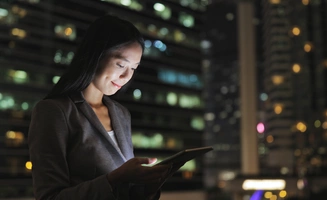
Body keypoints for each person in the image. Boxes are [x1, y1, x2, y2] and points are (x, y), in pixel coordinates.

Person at [28, 15, 182, 200]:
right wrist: (114, 178)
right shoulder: (55, 111)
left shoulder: (121, 113)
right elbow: (49, 197)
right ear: (97, 56)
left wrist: (148, 183)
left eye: (133, 68)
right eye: (121, 64)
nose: (126, 76)